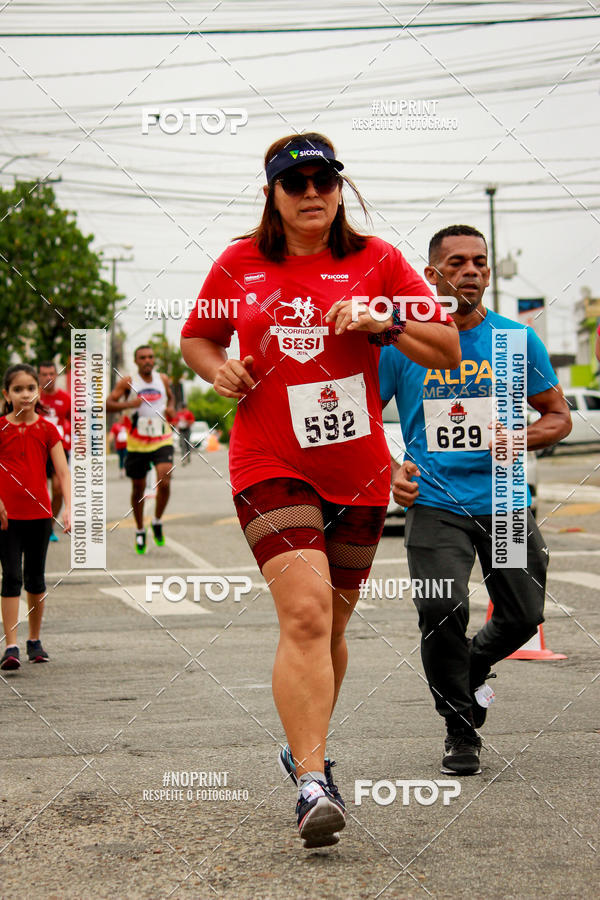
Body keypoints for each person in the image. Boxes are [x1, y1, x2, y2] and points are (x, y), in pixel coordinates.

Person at [181, 132, 460, 848]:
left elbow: (447, 347)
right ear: (272, 194)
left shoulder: (379, 261)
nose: (312, 194)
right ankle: (312, 783)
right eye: (295, 183)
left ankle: (306, 744)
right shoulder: (239, 263)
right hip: (270, 459)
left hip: (357, 469)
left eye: (324, 182)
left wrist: (384, 322)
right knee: (303, 616)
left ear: (340, 189)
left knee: (331, 628)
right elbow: (198, 339)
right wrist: (217, 369)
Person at [379, 225, 572, 776]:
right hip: (436, 502)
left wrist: (519, 436)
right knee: (442, 610)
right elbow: (365, 415)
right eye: (457, 262)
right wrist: (391, 469)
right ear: (431, 274)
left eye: (480, 262)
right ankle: (460, 731)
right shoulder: (402, 343)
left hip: (506, 499)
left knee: (522, 614)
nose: (471, 271)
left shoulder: (516, 341)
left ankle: (469, 670)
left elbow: (557, 417)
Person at [0, 364, 71, 670]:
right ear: (7, 394)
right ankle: (11, 645)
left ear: (37, 391)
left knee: (35, 578)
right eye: (18, 389)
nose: (25, 394)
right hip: (6, 517)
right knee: (11, 577)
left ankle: (35, 640)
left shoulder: (47, 429)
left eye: (30, 388)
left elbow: (63, 472)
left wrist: (68, 506)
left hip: (40, 513)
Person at [106, 346, 175, 554]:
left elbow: (170, 397)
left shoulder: (162, 379)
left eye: (150, 357)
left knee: (165, 478)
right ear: (136, 361)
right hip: (137, 441)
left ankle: (156, 520)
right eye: (142, 357)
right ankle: (139, 529)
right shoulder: (128, 381)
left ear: (154, 360)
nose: (147, 360)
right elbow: (108, 404)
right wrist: (130, 403)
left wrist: (171, 407)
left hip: (161, 436)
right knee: (138, 487)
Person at [38, 361, 71, 542]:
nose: (48, 377)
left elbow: (74, 422)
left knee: (58, 489)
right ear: (39, 376)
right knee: (38, 490)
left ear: (56, 375)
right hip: (36, 450)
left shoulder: (65, 398)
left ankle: (49, 527)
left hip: (58, 449)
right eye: (44, 374)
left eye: (52, 373)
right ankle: (35, 524)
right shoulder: (34, 397)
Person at [109, 412, 131, 477]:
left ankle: (125, 469)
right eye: (120, 417)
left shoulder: (126, 425)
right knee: (121, 458)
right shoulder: (115, 426)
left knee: (126, 458)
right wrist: (110, 438)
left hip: (126, 446)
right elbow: (112, 433)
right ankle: (121, 470)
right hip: (119, 446)